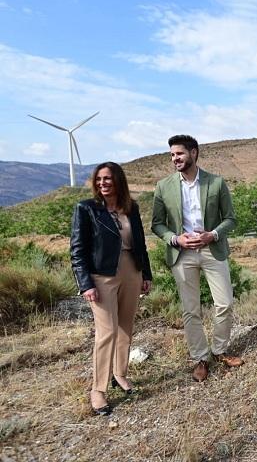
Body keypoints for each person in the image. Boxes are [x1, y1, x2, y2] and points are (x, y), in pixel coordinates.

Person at [151, 134, 243, 383]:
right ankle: (201, 358)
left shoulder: (216, 183)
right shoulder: (163, 186)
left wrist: (212, 235)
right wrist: (175, 239)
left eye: (179, 153)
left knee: (225, 303)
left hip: (212, 249)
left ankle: (220, 350)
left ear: (194, 153)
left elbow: (230, 219)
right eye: (172, 155)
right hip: (182, 253)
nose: (175, 158)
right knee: (190, 309)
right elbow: (157, 224)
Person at [70, 162, 152, 416]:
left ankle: (120, 374)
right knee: (107, 331)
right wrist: (85, 283)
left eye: (107, 178)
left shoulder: (131, 207)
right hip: (102, 276)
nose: (102, 183)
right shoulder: (86, 208)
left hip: (131, 270)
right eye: (99, 179)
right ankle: (98, 390)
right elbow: (77, 250)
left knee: (126, 326)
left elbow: (140, 243)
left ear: (118, 181)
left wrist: (146, 274)